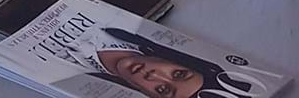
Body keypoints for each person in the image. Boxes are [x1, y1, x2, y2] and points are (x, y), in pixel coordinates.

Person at [67, 27, 254, 98]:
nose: (153, 76)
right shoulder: (127, 21)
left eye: (163, 90)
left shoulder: (68, 80)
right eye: (178, 74)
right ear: (180, 61)